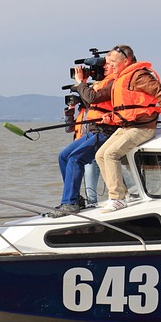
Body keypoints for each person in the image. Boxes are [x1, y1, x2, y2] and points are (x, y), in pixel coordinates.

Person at [95, 45, 161, 213]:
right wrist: (111, 116)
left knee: (111, 154)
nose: (110, 65)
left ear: (126, 61)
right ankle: (122, 194)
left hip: (142, 127)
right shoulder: (122, 77)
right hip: (127, 126)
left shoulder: (139, 76)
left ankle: (117, 199)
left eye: (113, 61)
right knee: (100, 155)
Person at [55, 58, 118, 215]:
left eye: (107, 66)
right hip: (94, 131)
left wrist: (81, 83)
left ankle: (69, 203)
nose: (104, 69)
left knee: (75, 159)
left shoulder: (114, 82)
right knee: (64, 156)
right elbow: (91, 103)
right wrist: (83, 85)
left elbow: (93, 98)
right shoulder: (101, 84)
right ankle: (74, 198)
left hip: (106, 131)